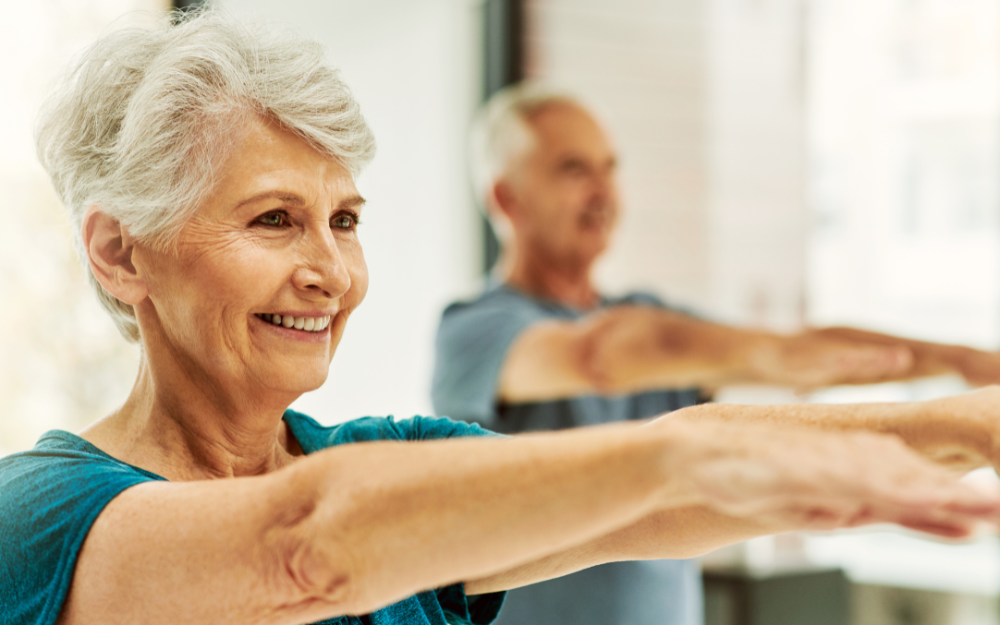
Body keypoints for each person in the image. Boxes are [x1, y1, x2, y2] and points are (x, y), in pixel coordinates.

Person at [4, 10, 1000, 625]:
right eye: (274, 221)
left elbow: (651, 488)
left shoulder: (384, 461)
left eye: (344, 221)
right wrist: (684, 461)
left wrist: (959, 427)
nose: (329, 272)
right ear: (119, 250)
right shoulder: (39, 513)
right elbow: (298, 550)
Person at [431, 84, 1000, 625]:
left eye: (611, 168)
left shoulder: (646, 312)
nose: (604, 192)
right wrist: (766, 355)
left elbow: (798, 352)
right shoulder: (476, 331)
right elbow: (599, 356)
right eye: (574, 170)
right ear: (507, 199)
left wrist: (967, 363)